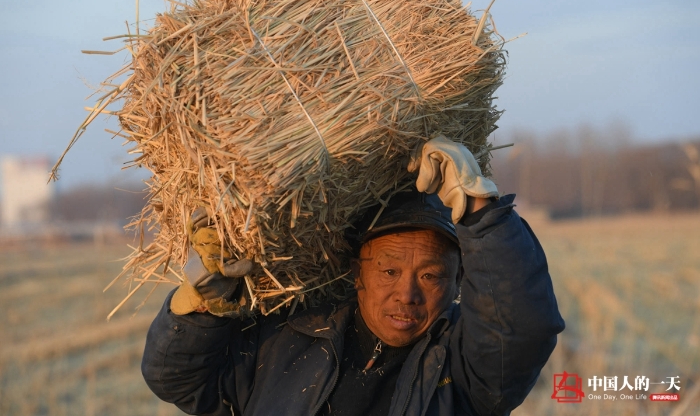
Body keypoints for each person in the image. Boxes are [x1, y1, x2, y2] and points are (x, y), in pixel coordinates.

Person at [141, 136, 565, 415]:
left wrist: (480, 212)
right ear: (355, 272)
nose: (407, 295)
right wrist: (202, 307)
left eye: (432, 276)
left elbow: (523, 329)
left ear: (459, 282)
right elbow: (177, 378)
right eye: (389, 270)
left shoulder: (463, 371)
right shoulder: (285, 339)